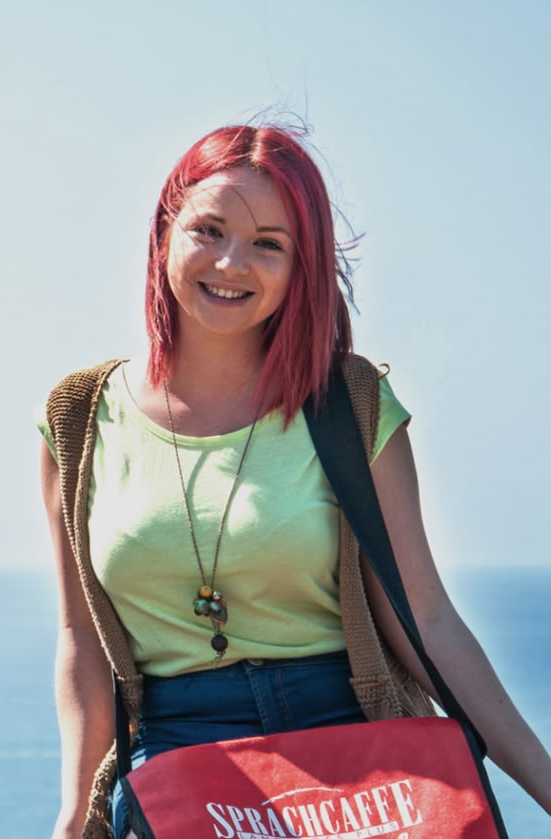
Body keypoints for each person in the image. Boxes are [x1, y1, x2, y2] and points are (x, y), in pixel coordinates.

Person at [38, 124, 551, 838]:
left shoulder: (351, 402)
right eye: (208, 229)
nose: (230, 261)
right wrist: (71, 813)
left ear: (300, 265)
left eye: (268, 243)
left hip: (356, 748)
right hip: (181, 749)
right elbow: (81, 640)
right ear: (164, 233)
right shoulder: (78, 419)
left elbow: (426, 620)